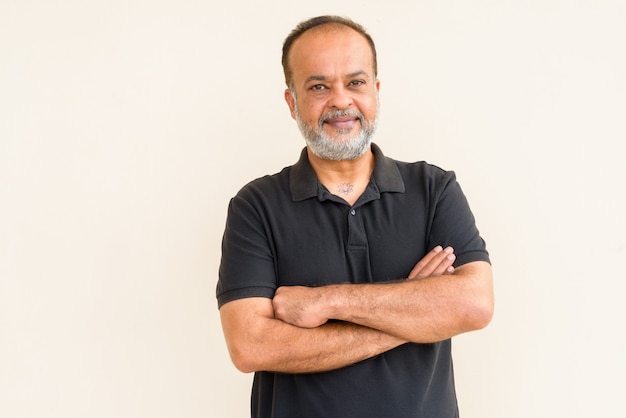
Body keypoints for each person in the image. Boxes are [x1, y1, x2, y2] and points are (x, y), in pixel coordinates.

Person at [216, 15, 494, 418]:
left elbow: (474, 305)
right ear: (292, 102)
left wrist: (324, 302)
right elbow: (250, 346)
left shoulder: (434, 189)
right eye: (318, 87)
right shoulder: (255, 206)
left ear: (376, 92)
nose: (341, 100)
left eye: (356, 82)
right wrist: (414, 312)